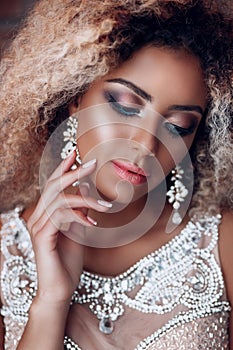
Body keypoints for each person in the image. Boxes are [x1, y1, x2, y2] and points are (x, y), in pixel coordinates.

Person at [0, 0, 232, 349]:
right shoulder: (5, 253)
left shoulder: (222, 244)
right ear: (75, 97)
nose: (145, 144)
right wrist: (50, 301)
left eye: (179, 126)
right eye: (125, 105)